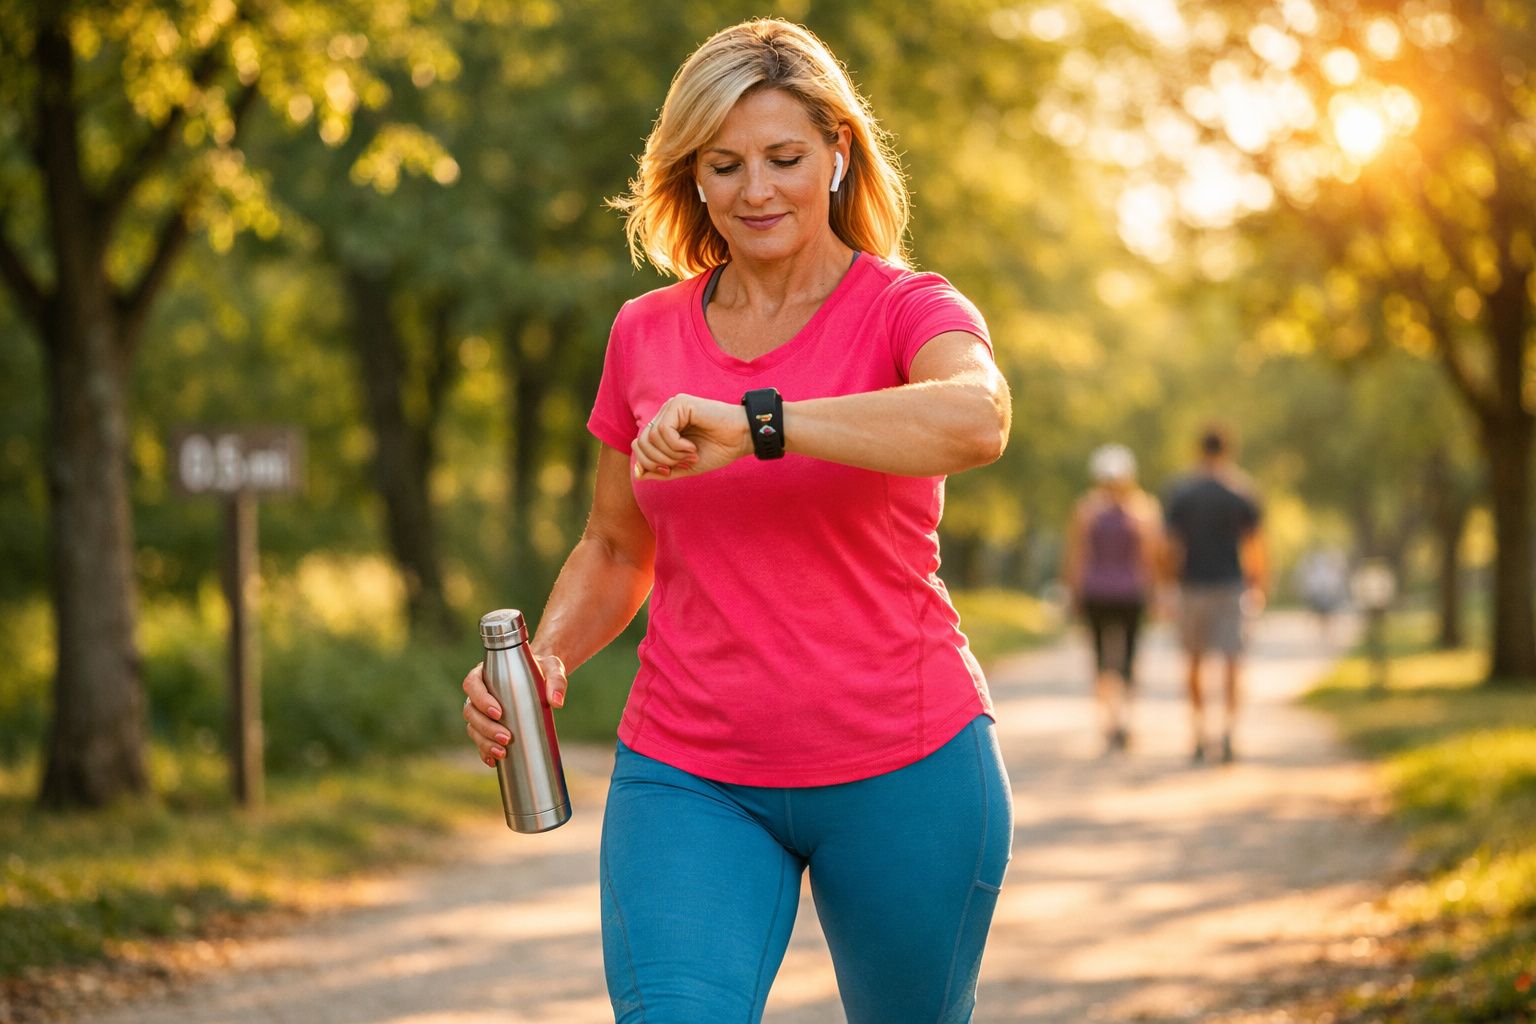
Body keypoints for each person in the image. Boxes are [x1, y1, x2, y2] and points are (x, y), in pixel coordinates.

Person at [461, 19, 1013, 1023]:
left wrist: (762, 423)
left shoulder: (907, 308)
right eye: (725, 165)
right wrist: (546, 657)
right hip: (689, 772)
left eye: (784, 158)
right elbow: (615, 545)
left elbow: (979, 418)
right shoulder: (645, 332)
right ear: (692, 176)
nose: (757, 190)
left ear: (838, 154)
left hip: (907, 764)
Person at [1162, 425, 1267, 764]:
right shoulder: (1241, 492)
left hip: (1192, 586)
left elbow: (1170, 546)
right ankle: (1229, 733)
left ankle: (1198, 732)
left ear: (1199, 451)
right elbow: (1255, 546)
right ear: (1227, 452)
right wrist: (1258, 586)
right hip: (1231, 586)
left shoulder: (1182, 493)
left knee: (1193, 661)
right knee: (1232, 661)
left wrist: (1167, 585)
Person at [1061, 444, 1163, 754]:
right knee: (1128, 659)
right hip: (1130, 593)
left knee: (1102, 659)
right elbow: (1149, 559)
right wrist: (1155, 593)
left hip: (1098, 592)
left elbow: (1078, 556)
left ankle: (1111, 721)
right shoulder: (1142, 511)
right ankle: (1123, 721)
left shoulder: (1086, 511)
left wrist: (1073, 593)